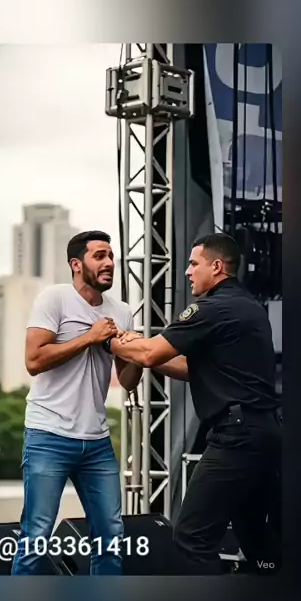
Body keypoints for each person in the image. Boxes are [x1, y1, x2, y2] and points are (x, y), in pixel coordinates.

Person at [109, 232, 282, 575]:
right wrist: (142, 353)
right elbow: (190, 368)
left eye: (193, 264)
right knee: (257, 538)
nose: (187, 272)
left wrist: (110, 342)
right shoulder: (247, 306)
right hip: (262, 432)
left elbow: (150, 352)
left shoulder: (213, 308)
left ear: (216, 267)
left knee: (192, 537)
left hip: (237, 437)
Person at [12, 230, 142, 575]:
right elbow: (34, 361)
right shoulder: (54, 298)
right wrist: (90, 337)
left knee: (111, 537)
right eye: (99, 256)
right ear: (76, 264)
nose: (109, 263)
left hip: (97, 442)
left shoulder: (122, 311)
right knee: (36, 537)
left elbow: (128, 381)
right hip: (48, 436)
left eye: (111, 256)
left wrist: (137, 354)